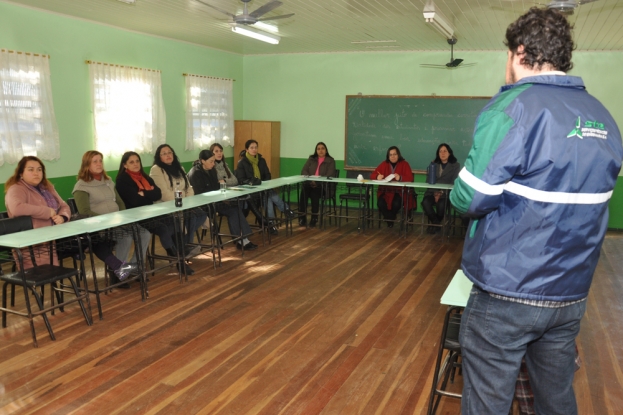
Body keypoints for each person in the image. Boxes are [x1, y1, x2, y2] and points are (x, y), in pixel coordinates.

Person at [449, 8, 623, 415]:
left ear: (519, 52)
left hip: (509, 292)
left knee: (488, 403)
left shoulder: (514, 108)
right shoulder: (603, 117)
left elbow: (468, 198)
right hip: (570, 294)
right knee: (556, 398)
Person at [4, 156, 133, 281]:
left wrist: (62, 216)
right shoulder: (16, 189)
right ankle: (117, 266)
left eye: (39, 169)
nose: (36, 173)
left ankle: (116, 266)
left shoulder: (47, 187)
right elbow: (17, 208)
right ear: (21, 172)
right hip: (40, 244)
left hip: (58, 235)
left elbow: (64, 206)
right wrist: (46, 211)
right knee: (91, 238)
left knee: (91, 235)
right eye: (30, 169)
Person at [72, 150, 151, 286]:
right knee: (124, 238)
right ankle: (118, 274)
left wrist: (123, 216)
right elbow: (84, 212)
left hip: (118, 221)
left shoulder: (108, 181)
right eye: (95, 161)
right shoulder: (81, 186)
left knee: (144, 233)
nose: (99, 164)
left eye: (100, 161)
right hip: (100, 227)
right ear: (87, 165)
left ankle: (133, 268)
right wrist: (107, 220)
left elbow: (119, 202)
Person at [115, 151, 194, 276]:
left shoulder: (144, 176)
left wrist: (144, 194)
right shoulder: (122, 180)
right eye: (131, 162)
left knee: (174, 220)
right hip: (135, 216)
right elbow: (134, 201)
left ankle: (179, 254)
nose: (136, 164)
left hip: (150, 211)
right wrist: (148, 194)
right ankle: (179, 260)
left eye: (137, 161)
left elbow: (157, 194)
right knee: (162, 228)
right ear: (125, 165)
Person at [188, 149, 258, 251]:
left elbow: (215, 186)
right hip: (204, 205)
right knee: (233, 210)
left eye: (214, 161)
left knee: (235, 208)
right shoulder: (195, 173)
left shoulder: (211, 169)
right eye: (211, 161)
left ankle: (243, 239)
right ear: (203, 161)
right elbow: (200, 193)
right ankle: (242, 240)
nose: (213, 164)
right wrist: (215, 188)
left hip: (215, 201)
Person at [149, 144, 206, 258]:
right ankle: (184, 248)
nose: (168, 155)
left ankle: (184, 246)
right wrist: (183, 202)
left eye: (169, 152)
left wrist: (186, 202)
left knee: (201, 214)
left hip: (183, 205)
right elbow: (164, 194)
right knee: (189, 217)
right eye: (164, 153)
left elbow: (189, 188)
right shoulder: (156, 170)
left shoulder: (179, 168)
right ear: (159, 157)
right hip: (166, 207)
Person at [235, 139, 296, 234]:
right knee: (269, 196)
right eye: (251, 148)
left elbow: (267, 174)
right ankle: (285, 211)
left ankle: (271, 224)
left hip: (263, 188)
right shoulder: (242, 163)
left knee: (268, 197)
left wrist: (264, 183)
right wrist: (255, 182)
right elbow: (241, 179)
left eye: (256, 147)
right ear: (247, 149)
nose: (254, 150)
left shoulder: (261, 160)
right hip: (251, 191)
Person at [370, 146, 415, 227]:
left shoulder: (405, 164)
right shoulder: (384, 164)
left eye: (395, 154)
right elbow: (372, 175)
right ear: (388, 156)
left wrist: (400, 178)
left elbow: (410, 178)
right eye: (390, 155)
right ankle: (390, 218)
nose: (393, 156)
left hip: (400, 191)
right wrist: (377, 177)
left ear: (398, 155)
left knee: (396, 203)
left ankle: (389, 218)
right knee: (380, 203)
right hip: (386, 191)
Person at [421, 143, 460, 233]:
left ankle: (435, 225)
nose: (442, 153)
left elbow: (454, 182)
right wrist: (435, 192)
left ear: (449, 153)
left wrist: (441, 192)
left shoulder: (455, 165)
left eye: (445, 151)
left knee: (441, 205)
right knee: (425, 202)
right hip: (432, 192)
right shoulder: (433, 164)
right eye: (440, 151)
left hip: (446, 194)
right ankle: (437, 224)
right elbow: (428, 181)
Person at [299, 142, 336, 227]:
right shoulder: (311, 159)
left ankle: (314, 218)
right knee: (304, 191)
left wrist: (317, 182)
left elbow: (329, 174)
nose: (320, 150)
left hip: (323, 186)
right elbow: (303, 171)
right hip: (310, 183)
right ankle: (302, 217)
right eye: (318, 149)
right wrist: (311, 181)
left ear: (326, 150)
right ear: (316, 151)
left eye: (322, 148)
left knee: (314, 193)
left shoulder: (330, 161)